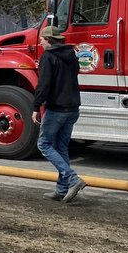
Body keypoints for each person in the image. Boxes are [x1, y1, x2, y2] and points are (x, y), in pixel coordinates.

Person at [31, 25, 85, 203]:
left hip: (57, 109)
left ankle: (72, 179)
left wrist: (35, 106)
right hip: (72, 108)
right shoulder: (71, 55)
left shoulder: (49, 56)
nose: (40, 42)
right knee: (61, 147)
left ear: (48, 40)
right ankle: (62, 190)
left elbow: (43, 84)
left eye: (42, 40)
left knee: (44, 144)